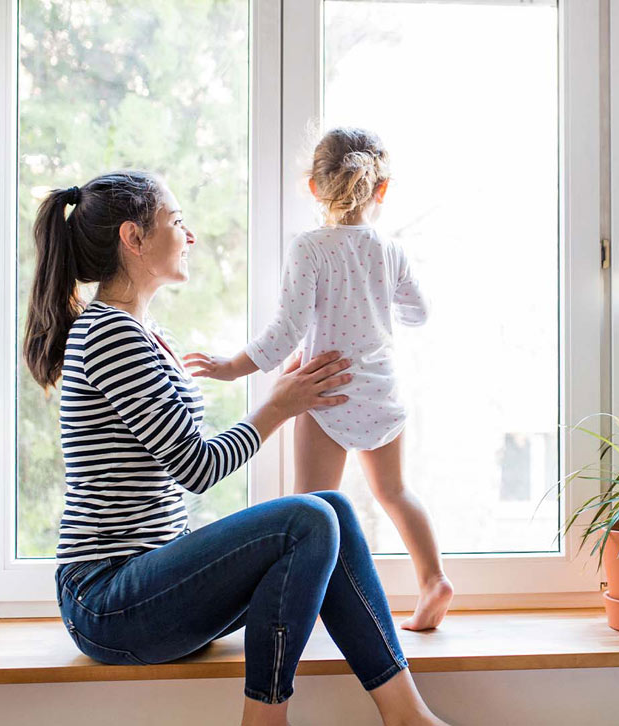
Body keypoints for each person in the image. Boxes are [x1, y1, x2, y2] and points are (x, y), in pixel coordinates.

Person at [23, 170, 448, 726]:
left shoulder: (141, 331)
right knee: (309, 517)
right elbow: (195, 465)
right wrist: (278, 405)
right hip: (108, 600)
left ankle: (408, 717)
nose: (190, 234)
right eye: (176, 221)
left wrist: (288, 393)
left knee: (334, 510)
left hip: (147, 583)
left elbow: (175, 452)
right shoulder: (109, 334)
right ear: (133, 238)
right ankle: (265, 721)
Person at [190, 128, 453, 631]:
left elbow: (285, 332)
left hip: (324, 391)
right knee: (396, 492)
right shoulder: (388, 250)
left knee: (309, 510)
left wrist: (229, 367)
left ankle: (305, 609)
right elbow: (419, 312)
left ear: (313, 186)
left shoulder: (309, 249)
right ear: (382, 190)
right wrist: (377, 299)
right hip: (381, 391)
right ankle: (433, 579)